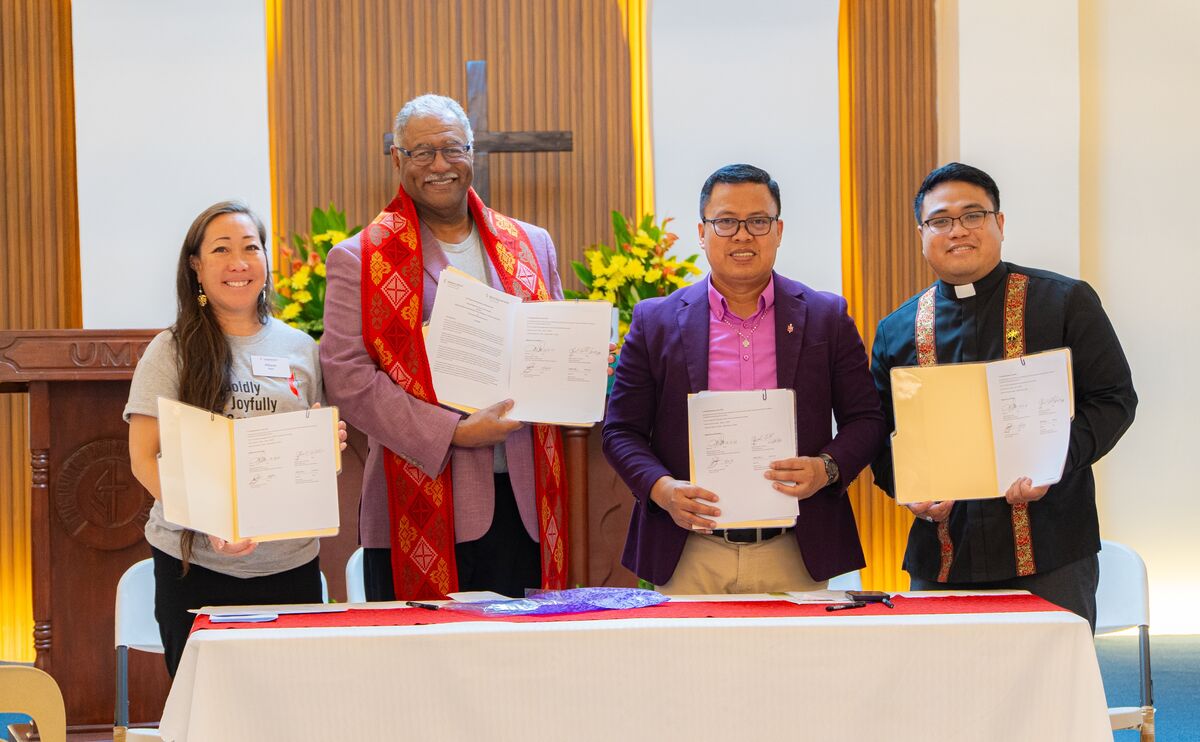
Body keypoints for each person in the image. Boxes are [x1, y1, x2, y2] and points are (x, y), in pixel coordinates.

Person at [321, 93, 571, 601]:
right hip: (419, 496)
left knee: (525, 668)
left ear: (472, 153)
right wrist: (454, 432)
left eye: (453, 149)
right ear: (397, 158)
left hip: (526, 503)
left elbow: (554, 346)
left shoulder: (532, 244)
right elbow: (348, 379)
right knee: (422, 672)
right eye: (421, 152)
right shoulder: (359, 258)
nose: (440, 165)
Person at [870, 162, 1137, 629]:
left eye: (973, 215)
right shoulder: (897, 330)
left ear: (1000, 223)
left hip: (1052, 552)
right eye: (941, 220)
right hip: (943, 557)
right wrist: (910, 489)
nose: (958, 230)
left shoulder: (1064, 302)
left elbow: (1114, 398)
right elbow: (878, 432)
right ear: (921, 233)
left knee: (1053, 694)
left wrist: (1053, 460)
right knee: (943, 693)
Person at [603, 164, 887, 593]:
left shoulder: (826, 317)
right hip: (689, 548)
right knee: (688, 663)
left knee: (794, 662)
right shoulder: (655, 320)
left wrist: (826, 469)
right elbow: (621, 431)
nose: (742, 235)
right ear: (702, 232)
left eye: (758, 221)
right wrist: (661, 490)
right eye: (725, 222)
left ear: (778, 230)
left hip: (795, 548)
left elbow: (867, 420)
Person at [125, 201, 345, 676]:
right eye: (221, 249)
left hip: (291, 567)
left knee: (290, 712)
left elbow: (310, 463)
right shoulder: (171, 349)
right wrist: (209, 522)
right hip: (196, 567)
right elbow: (143, 458)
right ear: (196, 267)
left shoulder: (300, 347)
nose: (238, 262)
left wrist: (324, 445)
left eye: (251, 247)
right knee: (208, 714)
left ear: (266, 260)